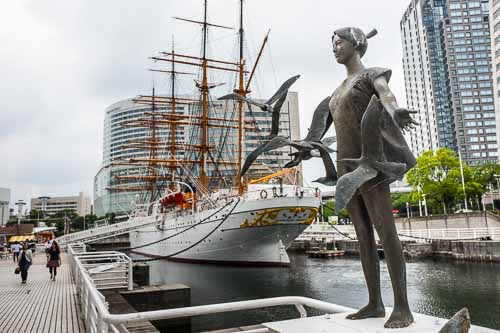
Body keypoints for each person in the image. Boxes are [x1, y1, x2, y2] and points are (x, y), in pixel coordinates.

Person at [294, 28, 417, 328]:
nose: (335, 47)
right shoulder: (334, 94)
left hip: (370, 165)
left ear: (357, 45)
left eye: (339, 42)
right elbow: (316, 136)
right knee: (362, 235)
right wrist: (302, 150)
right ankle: (375, 303)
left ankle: (402, 307)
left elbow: (385, 92)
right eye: (333, 43)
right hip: (346, 169)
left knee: (386, 232)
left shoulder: (371, 75)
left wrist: (395, 109)